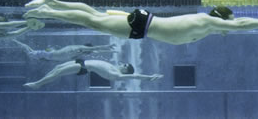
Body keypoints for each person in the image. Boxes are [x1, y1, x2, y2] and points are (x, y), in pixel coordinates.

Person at [23, 0, 258, 45]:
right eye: (227, 22)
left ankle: (52, 2)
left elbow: (235, 25)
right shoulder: (208, 22)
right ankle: (49, 11)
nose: (228, 27)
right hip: (143, 25)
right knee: (91, 21)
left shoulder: (206, 27)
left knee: (93, 16)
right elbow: (240, 25)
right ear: (222, 18)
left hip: (143, 25)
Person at [23, 59, 164, 89]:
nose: (122, 63)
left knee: (59, 72)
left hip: (83, 68)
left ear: (126, 70)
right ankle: (39, 82)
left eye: (125, 65)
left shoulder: (117, 75)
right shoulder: (113, 66)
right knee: (58, 66)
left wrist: (150, 77)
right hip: (82, 61)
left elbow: (135, 76)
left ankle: (38, 84)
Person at [13, 39, 117, 61]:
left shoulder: (80, 50)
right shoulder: (78, 52)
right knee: (28, 49)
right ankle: (15, 41)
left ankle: (14, 40)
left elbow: (95, 49)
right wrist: (109, 49)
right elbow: (95, 50)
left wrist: (108, 46)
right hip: (50, 54)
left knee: (27, 49)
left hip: (50, 54)